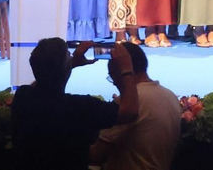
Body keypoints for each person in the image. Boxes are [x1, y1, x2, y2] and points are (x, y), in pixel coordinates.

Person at [10, 39, 140, 170]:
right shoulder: (80, 107)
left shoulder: (23, 96)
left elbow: (41, 83)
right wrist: (126, 68)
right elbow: (130, 112)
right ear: (66, 68)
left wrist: (68, 65)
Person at [90, 42, 182, 170]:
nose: (114, 84)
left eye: (112, 77)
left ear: (120, 71)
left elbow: (96, 154)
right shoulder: (170, 96)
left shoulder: (129, 103)